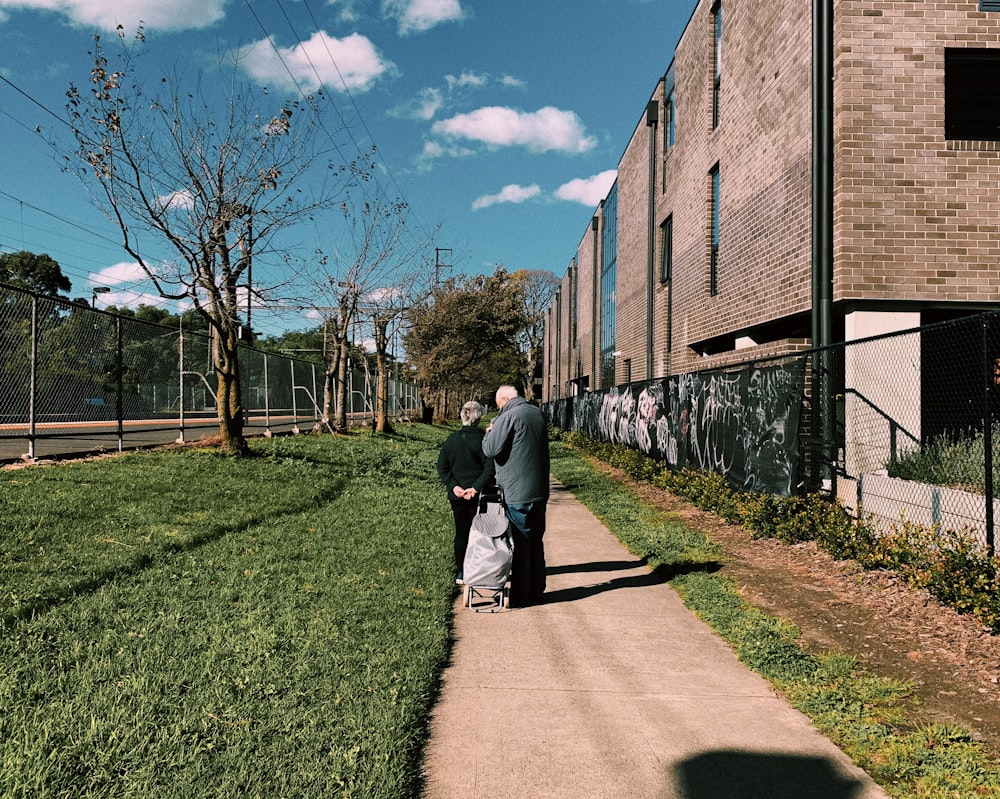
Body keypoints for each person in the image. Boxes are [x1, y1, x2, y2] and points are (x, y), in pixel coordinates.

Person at [482, 385, 550, 606]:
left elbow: (491, 449)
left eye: (498, 403)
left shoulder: (508, 416)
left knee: (520, 544)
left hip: (517, 491)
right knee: (536, 542)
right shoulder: (536, 412)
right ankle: (537, 591)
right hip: (539, 490)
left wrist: (489, 432)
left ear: (503, 399)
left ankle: (521, 595)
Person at [436, 400, 496, 585]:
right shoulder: (484, 440)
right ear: (478, 417)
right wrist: (476, 487)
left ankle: (461, 571)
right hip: (482, 494)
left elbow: (442, 467)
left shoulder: (451, 440)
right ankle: (482, 570)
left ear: (462, 416)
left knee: (461, 532)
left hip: (458, 496)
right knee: (483, 534)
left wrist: (453, 486)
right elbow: (489, 469)